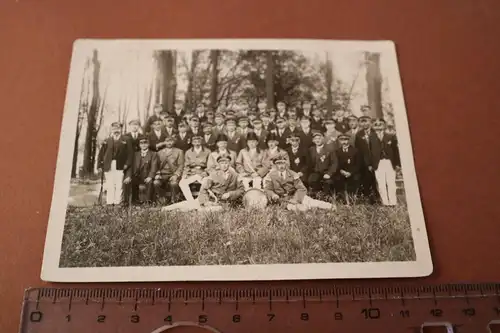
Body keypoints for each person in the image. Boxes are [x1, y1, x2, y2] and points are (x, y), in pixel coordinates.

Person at [162, 155, 244, 212]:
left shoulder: (235, 175)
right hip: (210, 199)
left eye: (226, 163)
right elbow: (203, 189)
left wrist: (230, 194)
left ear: (229, 164)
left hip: (224, 203)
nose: (224, 165)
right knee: (191, 204)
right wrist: (205, 202)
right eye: (222, 163)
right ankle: (166, 209)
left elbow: (241, 190)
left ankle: (187, 210)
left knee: (217, 209)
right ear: (218, 164)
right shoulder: (213, 174)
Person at [264, 155, 334, 211]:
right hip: (281, 199)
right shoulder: (271, 175)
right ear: (275, 165)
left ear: (286, 164)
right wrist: (273, 195)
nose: (281, 166)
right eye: (278, 164)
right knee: (296, 208)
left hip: (295, 195)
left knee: (312, 202)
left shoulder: (292, 174)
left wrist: (296, 199)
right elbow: (268, 189)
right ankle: (306, 208)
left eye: (283, 163)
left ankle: (330, 206)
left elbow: (301, 188)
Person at [97, 122, 132, 205]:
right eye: (114, 129)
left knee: (119, 184)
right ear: (112, 129)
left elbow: (130, 154)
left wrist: (127, 164)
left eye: (118, 128)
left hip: (120, 165)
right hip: (108, 164)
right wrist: (99, 165)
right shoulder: (107, 140)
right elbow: (101, 154)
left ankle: (117, 202)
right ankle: (110, 202)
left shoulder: (126, 139)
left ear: (121, 129)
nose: (116, 130)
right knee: (109, 184)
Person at [369, 119, 401, 206]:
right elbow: (369, 152)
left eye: (380, 124)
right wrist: (370, 164)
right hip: (377, 163)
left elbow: (396, 151)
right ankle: (385, 202)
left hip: (389, 162)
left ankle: (393, 202)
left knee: (391, 182)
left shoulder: (390, 136)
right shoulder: (370, 138)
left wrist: (397, 164)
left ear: (384, 125)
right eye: (376, 124)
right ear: (373, 126)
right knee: (381, 183)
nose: (378, 126)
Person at [123, 135, 158, 204]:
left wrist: (150, 176)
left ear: (148, 144)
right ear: (139, 145)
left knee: (150, 182)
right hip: (137, 176)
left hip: (147, 176)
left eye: (145, 143)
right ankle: (130, 201)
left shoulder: (153, 154)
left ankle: (148, 202)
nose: (143, 145)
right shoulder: (136, 154)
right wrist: (128, 176)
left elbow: (154, 167)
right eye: (141, 143)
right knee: (128, 181)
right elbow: (131, 167)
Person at [178, 135, 211, 202]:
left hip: (202, 172)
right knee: (182, 183)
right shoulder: (188, 152)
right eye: (195, 142)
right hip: (192, 173)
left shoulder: (207, 151)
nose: (197, 143)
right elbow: (186, 165)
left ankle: (204, 200)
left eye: (198, 141)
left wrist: (206, 172)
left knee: (207, 183)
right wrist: (185, 174)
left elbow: (210, 165)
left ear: (201, 142)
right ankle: (191, 201)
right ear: (192, 143)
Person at [154, 136, 184, 204]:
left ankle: (174, 200)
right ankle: (162, 199)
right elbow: (156, 165)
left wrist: (176, 175)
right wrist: (157, 174)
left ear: (174, 142)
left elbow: (181, 165)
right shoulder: (159, 152)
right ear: (164, 142)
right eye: (167, 141)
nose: (169, 143)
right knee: (156, 183)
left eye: (171, 141)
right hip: (162, 174)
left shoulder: (179, 151)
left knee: (174, 184)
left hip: (173, 173)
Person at [355, 115, 378, 204]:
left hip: (376, 161)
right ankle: (369, 199)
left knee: (377, 180)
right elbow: (359, 150)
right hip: (364, 162)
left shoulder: (375, 132)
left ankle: (379, 197)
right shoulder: (359, 134)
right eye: (362, 122)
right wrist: (367, 164)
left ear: (370, 122)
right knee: (367, 180)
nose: (364, 124)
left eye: (366, 121)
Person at [308, 131, 337, 196]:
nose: (317, 140)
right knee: (311, 180)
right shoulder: (311, 149)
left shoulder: (329, 149)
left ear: (323, 139)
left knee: (328, 182)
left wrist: (329, 173)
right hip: (316, 172)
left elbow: (334, 163)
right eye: (315, 139)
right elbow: (310, 163)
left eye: (319, 138)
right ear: (313, 140)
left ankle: (326, 196)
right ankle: (317, 194)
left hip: (326, 172)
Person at [334, 133, 361, 203]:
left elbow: (358, 164)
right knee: (337, 179)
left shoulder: (355, 151)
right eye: (341, 140)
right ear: (339, 141)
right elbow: (336, 164)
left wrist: (350, 173)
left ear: (349, 140)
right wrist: (341, 171)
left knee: (355, 178)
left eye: (346, 140)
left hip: (352, 172)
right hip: (341, 172)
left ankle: (353, 199)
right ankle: (342, 199)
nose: (344, 142)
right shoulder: (337, 152)